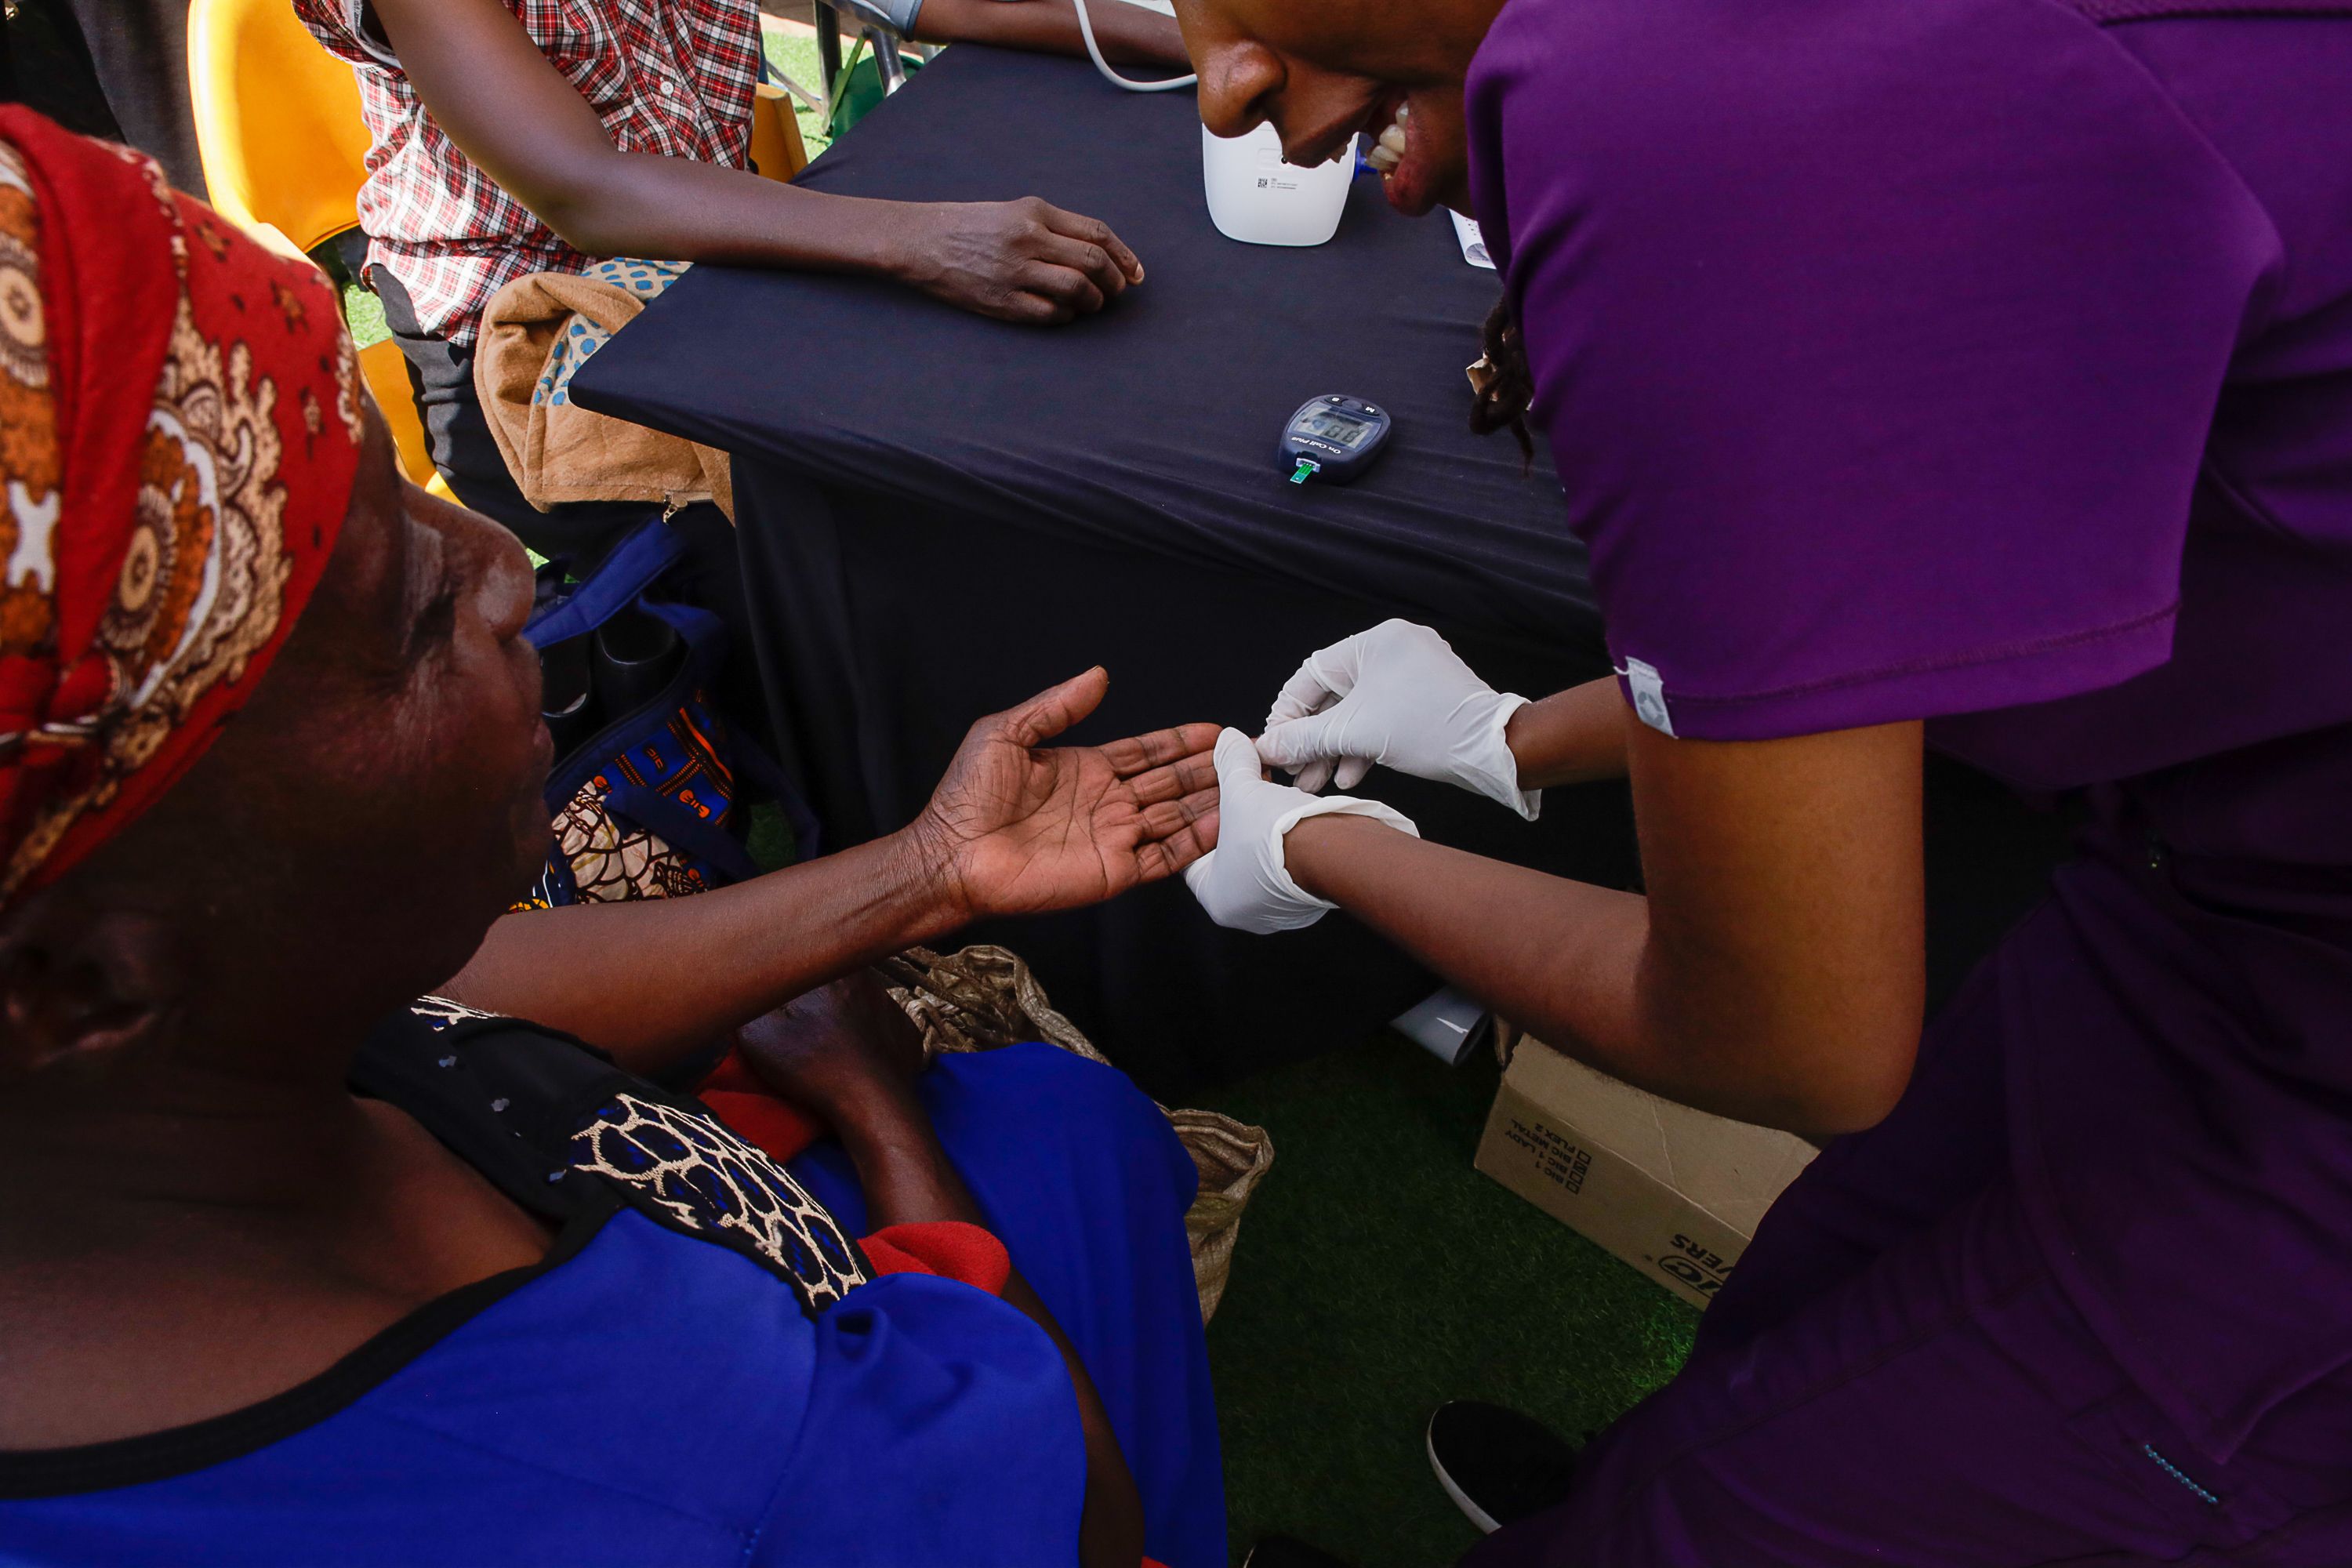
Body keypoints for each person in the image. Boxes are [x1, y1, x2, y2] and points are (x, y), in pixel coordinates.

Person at [1167, 0, 2352, 1559]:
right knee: (1826, 1285)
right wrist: (1504, 739)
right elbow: (1922, 608)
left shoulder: (1681, 101)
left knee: (1720, 1518)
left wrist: (1323, 846)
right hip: (2217, 882)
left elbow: (1790, 1035)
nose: (1227, 89)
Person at [0, 108, 1226, 1568]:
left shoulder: (152, 1100)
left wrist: (925, 870)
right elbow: (1079, 1520)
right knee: (1068, 1144)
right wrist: (884, 1121)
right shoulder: (696, 1464)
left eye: (403, 486)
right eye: (410, 621)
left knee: (1071, 1126)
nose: (505, 568)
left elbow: (449, 1012)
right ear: (80, 987)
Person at [296, 0, 1185, 550]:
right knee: (826, 541)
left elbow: (925, 0)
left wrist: (1195, 35)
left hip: (709, 269)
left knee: (974, 429)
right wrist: (926, 242)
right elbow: (587, 192)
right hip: (522, 331)